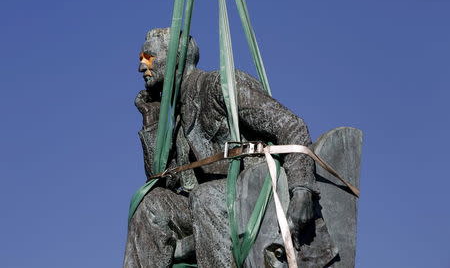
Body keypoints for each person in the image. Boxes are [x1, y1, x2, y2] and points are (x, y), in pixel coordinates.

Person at [124, 28, 337, 267]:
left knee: (204, 198)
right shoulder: (177, 116)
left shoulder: (220, 85)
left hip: (251, 190)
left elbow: (291, 126)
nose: (142, 66)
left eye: (149, 56)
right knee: (150, 203)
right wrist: (152, 121)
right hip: (205, 203)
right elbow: (166, 183)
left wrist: (302, 191)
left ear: (178, 56)